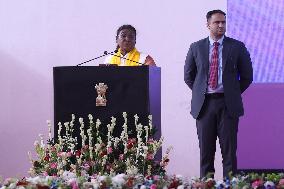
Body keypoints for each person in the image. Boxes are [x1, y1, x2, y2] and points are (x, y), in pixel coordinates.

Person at [184, 10, 253, 178]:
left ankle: (230, 184)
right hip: (204, 105)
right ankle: (206, 183)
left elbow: (247, 76)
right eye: (217, 22)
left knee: (229, 153)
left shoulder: (237, 46)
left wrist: (232, 92)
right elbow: (188, 76)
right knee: (206, 153)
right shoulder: (196, 47)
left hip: (227, 105)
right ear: (208, 25)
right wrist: (202, 92)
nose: (221, 25)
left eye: (223, 22)